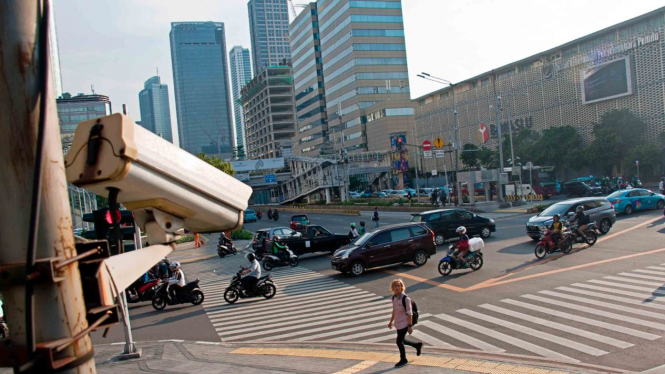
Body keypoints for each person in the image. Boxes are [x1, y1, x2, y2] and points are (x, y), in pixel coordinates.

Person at [387, 279, 422, 367]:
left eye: (399, 285)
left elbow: (410, 313)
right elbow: (394, 310)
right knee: (402, 340)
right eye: (395, 286)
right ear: (393, 288)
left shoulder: (406, 299)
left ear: (402, 287)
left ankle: (403, 359)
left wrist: (409, 326)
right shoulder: (394, 298)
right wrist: (391, 321)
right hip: (398, 323)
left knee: (399, 341)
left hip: (405, 323)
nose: (397, 287)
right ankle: (417, 345)